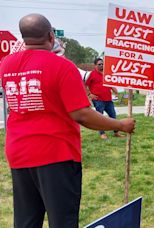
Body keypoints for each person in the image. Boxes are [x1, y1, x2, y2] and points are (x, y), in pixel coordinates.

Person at [0, 14, 135, 228]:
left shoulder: (6, 64)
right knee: (63, 221)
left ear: (23, 38)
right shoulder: (62, 66)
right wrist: (119, 125)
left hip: (18, 153)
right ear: (50, 36)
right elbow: (81, 114)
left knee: (26, 221)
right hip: (55, 154)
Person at [85, 58, 123, 140]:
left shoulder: (107, 73)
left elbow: (110, 83)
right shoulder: (92, 74)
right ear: (95, 65)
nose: (101, 65)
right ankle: (102, 133)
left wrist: (115, 90)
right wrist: (89, 94)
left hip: (108, 99)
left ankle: (116, 132)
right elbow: (85, 85)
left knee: (113, 115)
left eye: (102, 64)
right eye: (99, 64)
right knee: (100, 117)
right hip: (98, 100)